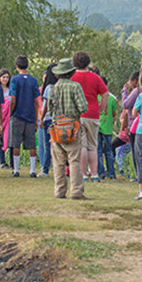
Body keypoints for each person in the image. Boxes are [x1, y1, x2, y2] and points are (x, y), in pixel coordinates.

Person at [47, 58, 89, 199]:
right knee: (74, 161)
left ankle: (59, 192)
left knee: (58, 163)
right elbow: (83, 108)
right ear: (71, 72)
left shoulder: (52, 88)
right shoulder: (75, 87)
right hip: (73, 129)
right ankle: (76, 192)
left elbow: (50, 109)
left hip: (56, 129)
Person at [70, 51, 108, 181]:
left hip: (78, 114)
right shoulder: (95, 78)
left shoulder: (72, 77)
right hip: (93, 114)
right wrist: (100, 108)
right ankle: (95, 174)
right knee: (93, 146)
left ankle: (83, 174)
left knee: (82, 145)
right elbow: (105, 94)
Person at [8, 55, 41, 178]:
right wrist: (37, 115)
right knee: (32, 144)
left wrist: (11, 113)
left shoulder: (15, 80)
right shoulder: (33, 80)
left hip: (18, 115)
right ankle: (32, 170)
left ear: (17, 66)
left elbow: (13, 99)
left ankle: (16, 169)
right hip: (30, 115)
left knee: (16, 143)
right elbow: (36, 100)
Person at [37, 64, 58, 178]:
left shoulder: (49, 88)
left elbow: (45, 106)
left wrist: (41, 118)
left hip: (48, 119)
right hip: (60, 118)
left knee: (47, 145)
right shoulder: (61, 86)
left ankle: (45, 169)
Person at [97, 77, 118, 180]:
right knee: (109, 151)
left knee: (98, 150)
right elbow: (114, 114)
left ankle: (100, 173)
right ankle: (111, 173)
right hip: (108, 128)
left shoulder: (96, 96)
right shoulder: (111, 98)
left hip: (97, 126)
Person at [0, 69, 12, 169]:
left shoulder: (10, 90)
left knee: (10, 139)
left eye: (7, 77)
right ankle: (2, 161)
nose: (5, 79)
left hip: (9, 117)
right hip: (0, 117)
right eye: (3, 77)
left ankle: (11, 161)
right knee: (0, 139)